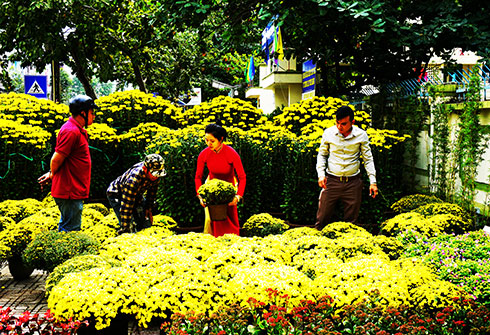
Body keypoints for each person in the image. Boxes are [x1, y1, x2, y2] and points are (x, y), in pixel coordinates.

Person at [38, 95, 97, 232]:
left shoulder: (76, 129)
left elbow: (65, 160)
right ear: (83, 113)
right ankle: (65, 254)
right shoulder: (71, 131)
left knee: (68, 226)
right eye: (92, 112)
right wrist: (52, 173)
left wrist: (51, 174)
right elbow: (56, 159)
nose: (94, 116)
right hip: (70, 190)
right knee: (70, 230)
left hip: (73, 189)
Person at [315, 105, 378, 230]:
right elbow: (322, 154)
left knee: (351, 224)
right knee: (322, 219)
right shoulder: (328, 133)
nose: (339, 127)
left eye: (343, 124)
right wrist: (321, 174)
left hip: (353, 183)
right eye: (337, 123)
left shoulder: (361, 135)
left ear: (352, 122)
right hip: (331, 181)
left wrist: (373, 182)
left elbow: (368, 159)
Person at [195, 122, 246, 237]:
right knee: (214, 221)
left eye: (212, 141)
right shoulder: (204, 154)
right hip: (211, 191)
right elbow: (198, 177)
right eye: (206, 140)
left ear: (221, 139)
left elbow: (242, 177)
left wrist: (238, 196)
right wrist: (200, 196)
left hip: (230, 189)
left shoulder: (231, 153)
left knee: (231, 220)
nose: (208, 144)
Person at [107, 153, 166, 234]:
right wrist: (126, 227)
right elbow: (126, 206)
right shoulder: (134, 179)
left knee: (145, 224)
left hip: (137, 193)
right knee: (129, 226)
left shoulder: (157, 175)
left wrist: (148, 209)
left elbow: (152, 193)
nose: (156, 177)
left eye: (158, 174)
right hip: (117, 194)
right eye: (154, 174)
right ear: (146, 169)